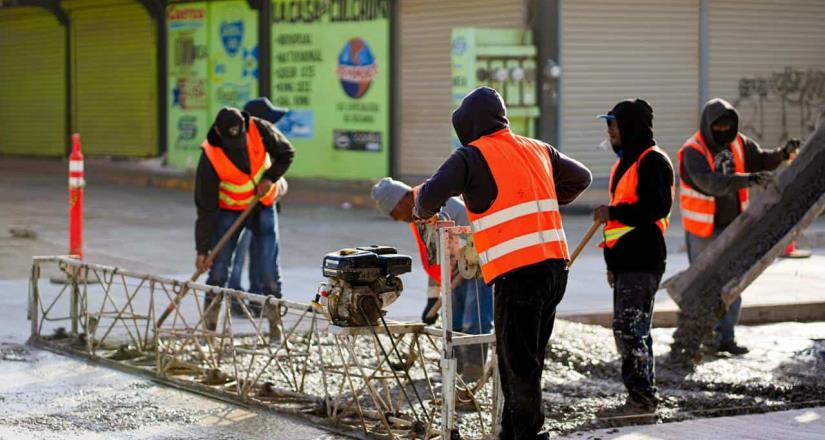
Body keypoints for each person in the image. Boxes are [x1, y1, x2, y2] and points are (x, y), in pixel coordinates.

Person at [414, 87, 591, 440]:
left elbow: (430, 195)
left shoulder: (470, 156)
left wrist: (423, 213)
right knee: (525, 361)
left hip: (519, 273)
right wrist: (549, 197)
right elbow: (582, 177)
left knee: (519, 365)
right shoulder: (538, 148)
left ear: (469, 125)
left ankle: (527, 434)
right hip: (556, 267)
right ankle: (512, 432)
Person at [677, 98, 799, 355]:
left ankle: (725, 338)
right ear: (707, 126)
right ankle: (698, 337)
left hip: (733, 226)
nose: (723, 131)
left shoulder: (740, 144)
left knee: (733, 284)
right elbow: (709, 183)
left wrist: (782, 154)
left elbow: (761, 160)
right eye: (718, 127)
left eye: (728, 126)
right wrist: (746, 180)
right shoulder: (693, 150)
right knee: (704, 284)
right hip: (704, 231)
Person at [593, 99, 674, 414]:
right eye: (609, 125)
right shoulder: (624, 163)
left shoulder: (652, 161)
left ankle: (641, 400)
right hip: (627, 262)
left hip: (644, 258)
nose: (611, 131)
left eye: (614, 124)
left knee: (630, 331)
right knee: (630, 330)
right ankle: (642, 396)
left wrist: (612, 211)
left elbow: (657, 207)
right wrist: (612, 264)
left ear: (630, 127)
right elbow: (616, 227)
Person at [371, 177, 493, 382]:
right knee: (453, 321)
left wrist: (470, 260)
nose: (396, 219)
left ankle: (473, 372)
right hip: (455, 272)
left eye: (394, 214)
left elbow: (479, 233)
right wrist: (432, 296)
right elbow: (435, 257)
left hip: (478, 267)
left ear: (402, 201)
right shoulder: (418, 216)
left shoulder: (443, 202)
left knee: (475, 320)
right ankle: (455, 369)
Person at [195, 106, 295, 327]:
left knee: (269, 273)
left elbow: (286, 153)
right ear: (219, 133)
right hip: (230, 211)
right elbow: (206, 207)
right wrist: (202, 249)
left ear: (243, 126)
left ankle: (274, 327)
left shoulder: (259, 128)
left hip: (263, 204)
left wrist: (269, 178)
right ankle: (209, 327)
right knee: (219, 269)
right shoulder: (210, 154)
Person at [226, 98, 290, 314]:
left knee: (261, 255)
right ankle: (234, 297)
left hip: (265, 207)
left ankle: (257, 297)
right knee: (237, 253)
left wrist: (277, 183)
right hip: (242, 209)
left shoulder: (268, 141)